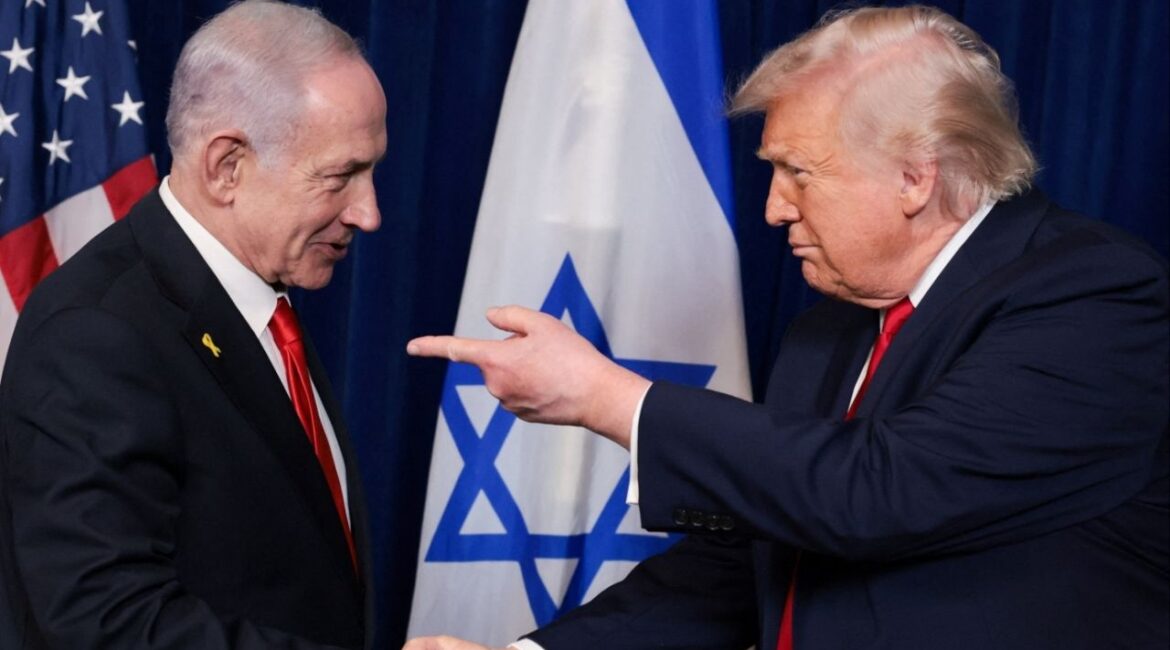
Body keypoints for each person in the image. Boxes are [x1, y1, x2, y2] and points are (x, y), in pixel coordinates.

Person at [404, 5, 1168, 650]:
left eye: (798, 172)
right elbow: (742, 566)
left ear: (915, 177)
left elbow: (881, 492)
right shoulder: (828, 330)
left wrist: (610, 398)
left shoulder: (1094, 295)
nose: (774, 208)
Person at [0, 1, 386, 648]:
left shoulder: (258, 293)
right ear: (226, 166)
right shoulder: (95, 335)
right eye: (340, 176)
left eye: (371, 170)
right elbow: (105, 625)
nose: (368, 213)